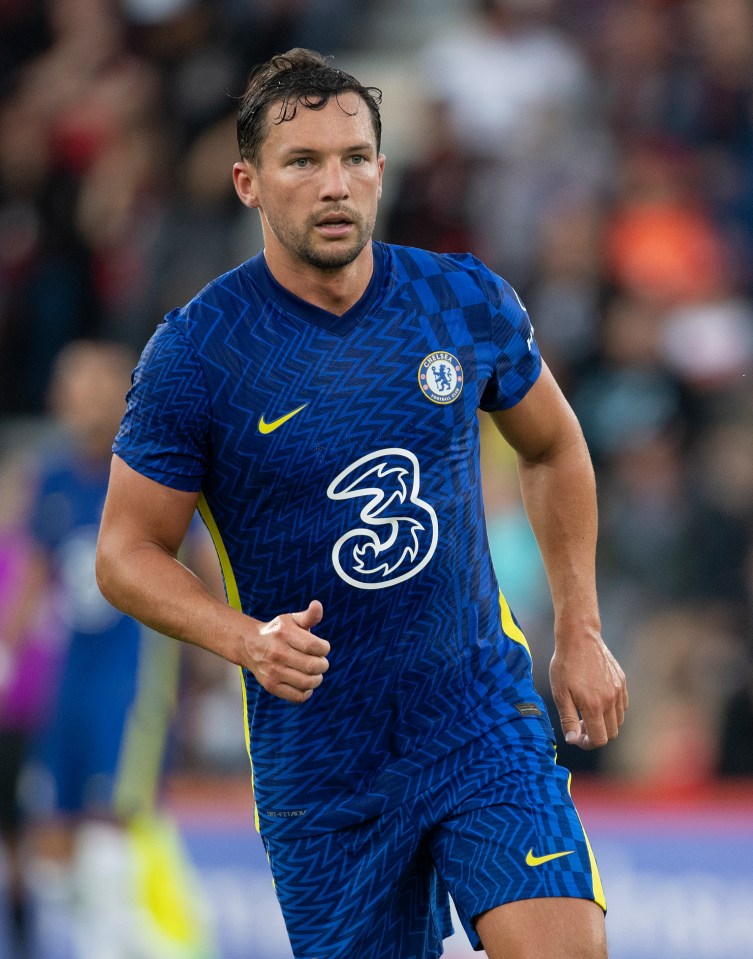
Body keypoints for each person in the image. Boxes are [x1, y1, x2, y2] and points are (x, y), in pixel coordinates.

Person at [96, 48, 628, 959]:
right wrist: (241, 637)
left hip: (475, 716)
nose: (333, 183)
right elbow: (125, 551)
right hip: (324, 766)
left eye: (354, 157)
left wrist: (578, 624)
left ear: (381, 168)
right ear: (248, 183)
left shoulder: (459, 301)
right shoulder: (198, 354)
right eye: (302, 162)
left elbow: (552, 444)